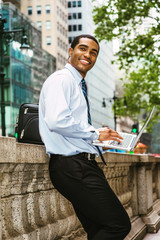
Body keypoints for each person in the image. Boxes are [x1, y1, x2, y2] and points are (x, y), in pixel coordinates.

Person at [39, 34, 131, 240]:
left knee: (98, 229)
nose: (88, 55)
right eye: (82, 48)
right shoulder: (62, 80)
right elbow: (56, 121)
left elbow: (70, 127)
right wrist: (95, 133)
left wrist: (98, 142)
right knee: (118, 225)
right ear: (71, 51)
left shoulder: (77, 84)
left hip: (81, 165)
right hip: (72, 167)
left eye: (93, 52)